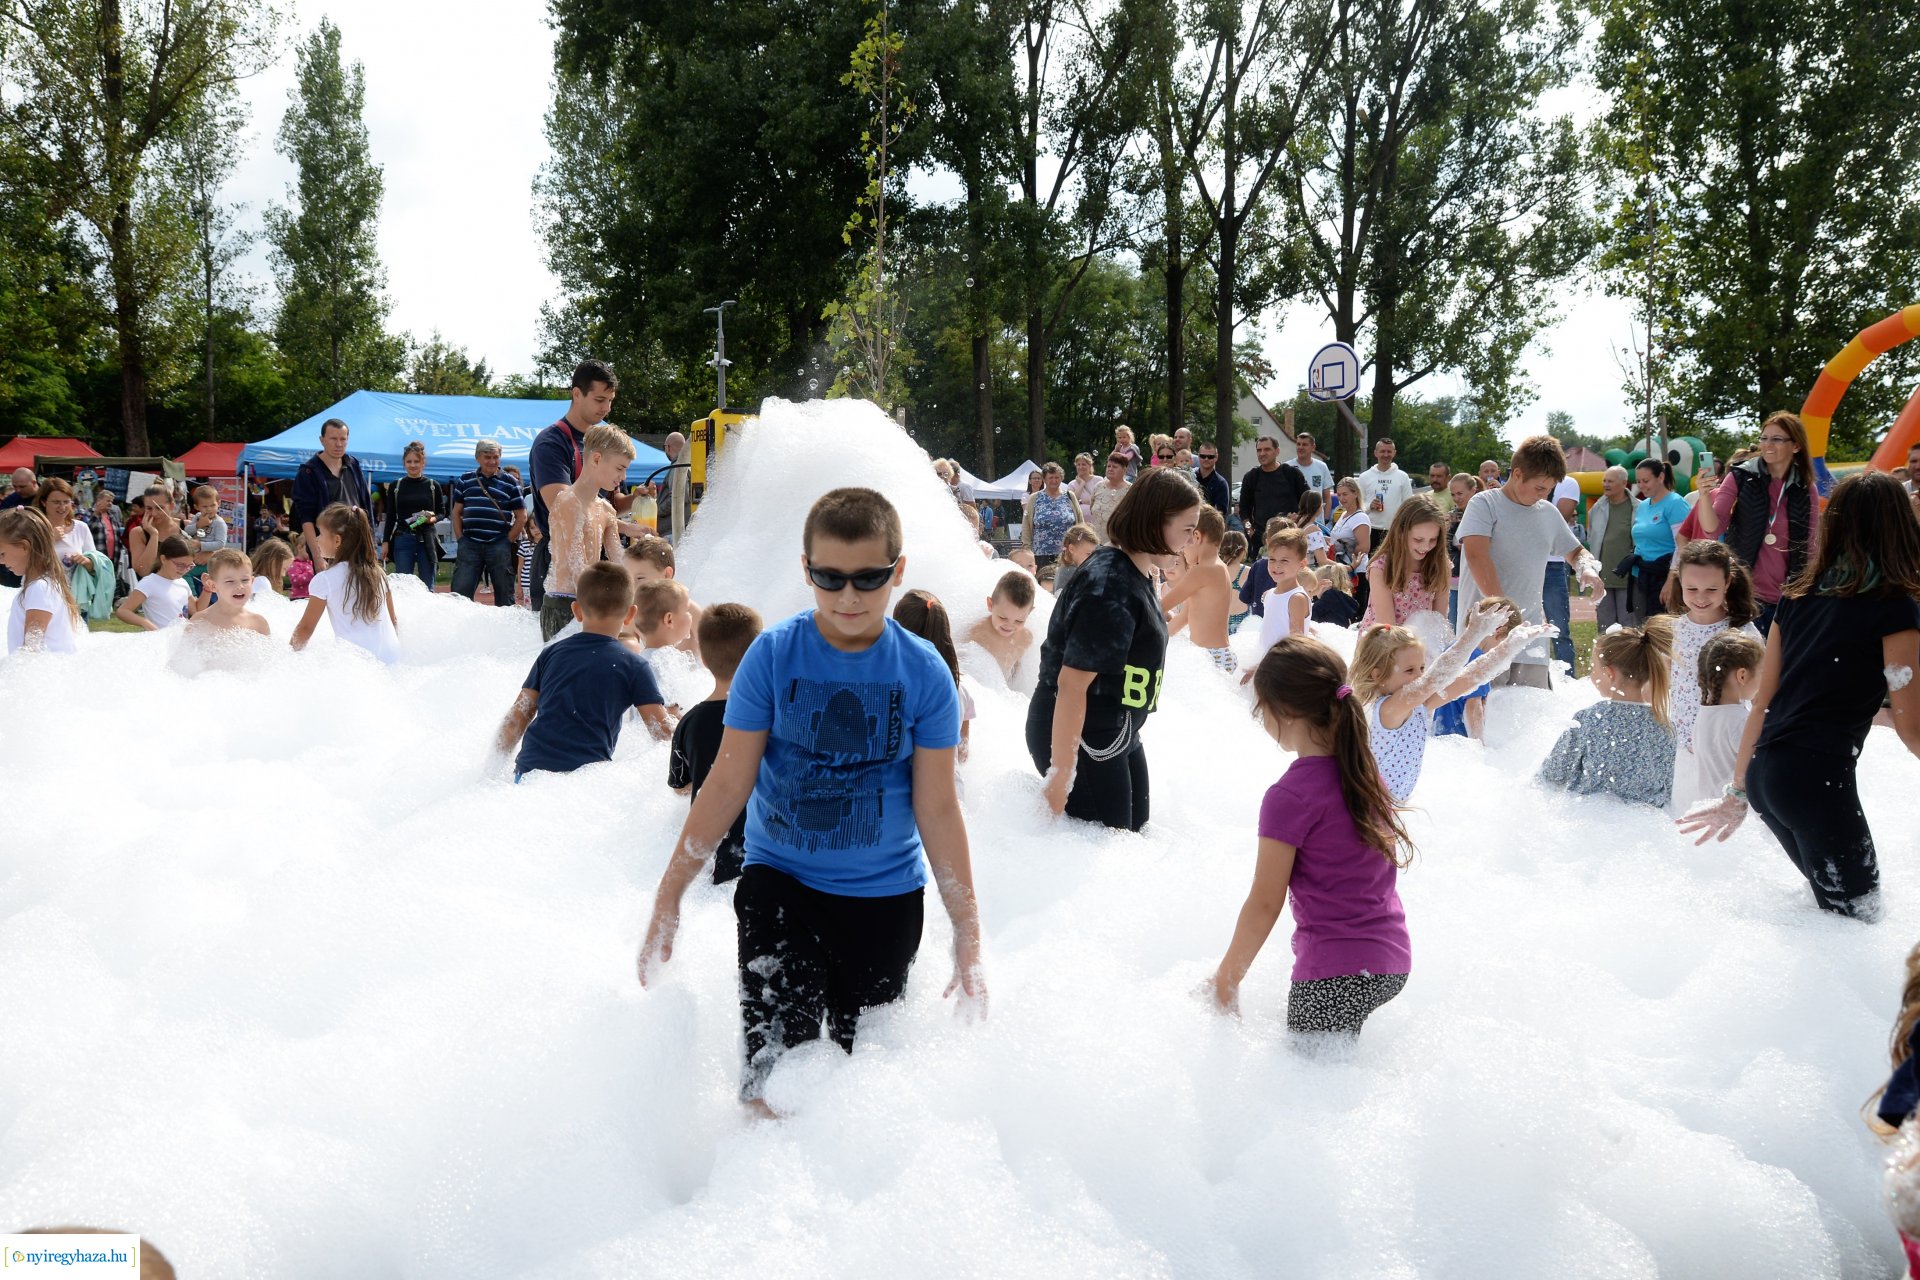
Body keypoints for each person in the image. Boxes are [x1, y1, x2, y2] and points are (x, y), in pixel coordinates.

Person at [636, 487, 987, 1117]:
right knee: (773, 1080)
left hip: (886, 898)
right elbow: (726, 782)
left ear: (898, 571)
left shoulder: (924, 670)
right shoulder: (772, 656)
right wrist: (669, 894)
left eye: (867, 579)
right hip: (781, 885)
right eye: (828, 578)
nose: (847, 596)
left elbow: (937, 807)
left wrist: (968, 928)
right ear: (805, 569)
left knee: (859, 1093)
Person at [1680, 472, 1920, 918]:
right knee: (1859, 919)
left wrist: (1738, 791)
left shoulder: (1798, 596)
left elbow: (1766, 701)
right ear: (1899, 527)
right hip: (1815, 780)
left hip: (1766, 775)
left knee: (1834, 921)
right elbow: (1912, 727)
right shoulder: (1894, 605)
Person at [1203, 634, 1411, 1035]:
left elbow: (1265, 903)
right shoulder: (1366, 775)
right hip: (1391, 959)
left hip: (1334, 975)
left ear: (1283, 712)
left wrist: (1226, 980)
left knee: (1306, 1093)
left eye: (1260, 709)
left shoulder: (1289, 796)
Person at [1028, 466, 1200, 831]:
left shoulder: (1139, 571)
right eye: (1186, 528)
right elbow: (1072, 685)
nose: (1191, 538)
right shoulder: (1109, 585)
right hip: (1083, 731)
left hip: (1115, 726)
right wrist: (1061, 777)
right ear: (1155, 523)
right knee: (1111, 844)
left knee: (1133, 837)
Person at [496, 561, 673, 780]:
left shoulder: (551, 654)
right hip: (584, 782)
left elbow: (517, 718)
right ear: (631, 615)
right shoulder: (633, 665)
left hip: (529, 773)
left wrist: (492, 770)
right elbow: (661, 732)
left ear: (577, 611)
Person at [1351, 604, 1542, 802]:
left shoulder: (1417, 706)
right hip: (1370, 806)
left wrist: (1509, 647)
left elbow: (1470, 677)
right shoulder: (1388, 709)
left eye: (1422, 667)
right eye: (1410, 670)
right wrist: (1473, 634)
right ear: (1378, 674)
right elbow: (1434, 679)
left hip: (1391, 806)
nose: (1419, 676)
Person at [1455, 436, 1604, 688]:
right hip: (1485, 635)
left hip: (1530, 636)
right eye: (1539, 488)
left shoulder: (1547, 512)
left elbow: (1577, 551)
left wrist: (1587, 568)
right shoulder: (1484, 504)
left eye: (1549, 489)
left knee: (1532, 716)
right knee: (1482, 717)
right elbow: (1476, 555)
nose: (1544, 495)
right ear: (1517, 474)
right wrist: (1503, 614)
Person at [1695, 411, 1818, 634]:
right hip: (1744, 597)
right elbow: (1712, 527)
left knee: (1778, 667)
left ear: (1796, 446)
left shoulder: (1805, 487)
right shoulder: (1741, 475)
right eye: (1764, 438)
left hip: (1787, 600)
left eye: (1776, 439)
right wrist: (1704, 495)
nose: (1767, 444)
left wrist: (1806, 594)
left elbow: (1811, 546)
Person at [667, 603, 763, 883]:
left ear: (704, 661)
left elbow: (680, 787)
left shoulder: (689, 723)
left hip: (718, 862)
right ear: (759, 657)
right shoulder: (775, 715)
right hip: (772, 857)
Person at [1539, 618, 1676, 808]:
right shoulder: (1665, 725)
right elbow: (1669, 787)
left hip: (1590, 820)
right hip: (1645, 824)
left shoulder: (1588, 719)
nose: (1591, 675)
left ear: (1609, 673)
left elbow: (1553, 774)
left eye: (1594, 669)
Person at [1659, 541, 1761, 793]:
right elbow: (1659, 685)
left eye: (1711, 588)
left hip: (1725, 747)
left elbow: (1761, 694)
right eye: (1691, 588)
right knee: (1684, 820)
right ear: (1679, 583)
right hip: (1683, 746)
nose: (1701, 597)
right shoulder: (1672, 630)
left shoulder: (1742, 634)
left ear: (1727, 583)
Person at [529, 359, 631, 611]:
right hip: (557, 560)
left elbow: (610, 505)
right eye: (599, 400)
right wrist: (626, 528)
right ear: (577, 393)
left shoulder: (605, 442)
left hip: (594, 559)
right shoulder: (551, 443)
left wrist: (635, 500)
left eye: (610, 400)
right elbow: (564, 509)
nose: (606, 408)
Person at [540, 423, 632, 642]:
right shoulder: (569, 501)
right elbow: (576, 563)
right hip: (563, 602)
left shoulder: (606, 509)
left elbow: (620, 562)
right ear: (597, 459)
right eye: (620, 468)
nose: (624, 476)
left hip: (590, 600)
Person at [290, 504, 399, 663]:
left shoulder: (324, 580)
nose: (316, 539)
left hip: (357, 662)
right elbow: (393, 620)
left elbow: (305, 629)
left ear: (337, 540)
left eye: (320, 534)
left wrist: (287, 658)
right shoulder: (379, 573)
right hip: (392, 656)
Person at [1679, 629, 1763, 817]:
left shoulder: (1704, 715)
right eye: (1762, 673)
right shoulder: (1741, 722)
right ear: (1742, 676)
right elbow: (1761, 772)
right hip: (1739, 815)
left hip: (1709, 809)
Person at [895, 589, 974, 762]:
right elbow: (962, 753)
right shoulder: (959, 687)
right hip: (952, 784)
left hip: (914, 784)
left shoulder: (895, 690)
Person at [1432, 595, 1523, 740]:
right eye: (1507, 641)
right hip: (1459, 740)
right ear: (1499, 630)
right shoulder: (1478, 660)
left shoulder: (1455, 650)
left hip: (1440, 735)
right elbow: (1474, 708)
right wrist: (1479, 747)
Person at [1159, 507, 1235, 672]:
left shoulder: (1203, 570)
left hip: (1210, 658)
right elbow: (1184, 617)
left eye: (1184, 542)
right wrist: (1161, 639)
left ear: (1196, 536)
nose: (1181, 549)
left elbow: (1161, 606)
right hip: (1217, 655)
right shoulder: (1217, 567)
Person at [449, 441, 525, 605]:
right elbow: (456, 512)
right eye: (487, 457)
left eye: (496, 457)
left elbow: (521, 516)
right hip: (469, 543)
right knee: (459, 596)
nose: (492, 461)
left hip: (499, 544)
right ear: (478, 458)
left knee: (505, 598)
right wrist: (461, 538)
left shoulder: (511, 482)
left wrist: (508, 540)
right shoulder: (465, 480)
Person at [291, 418, 373, 569]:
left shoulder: (353, 464)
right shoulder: (308, 472)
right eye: (333, 439)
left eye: (343, 439)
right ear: (322, 440)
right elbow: (306, 518)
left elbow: (366, 505)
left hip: (356, 547)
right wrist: (317, 557)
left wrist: (371, 545)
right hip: (327, 550)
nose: (339, 444)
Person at [0, 508, 82, 654]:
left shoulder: (40, 588)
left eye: (2, 554)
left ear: (24, 546)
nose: (1, 561)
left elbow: (32, 646)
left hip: (44, 673)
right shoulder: (41, 585)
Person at [1360, 496, 1447, 626]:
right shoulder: (1381, 568)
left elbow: (1440, 621)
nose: (1425, 547)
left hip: (1423, 642)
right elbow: (1388, 626)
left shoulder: (1441, 565)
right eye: (1418, 540)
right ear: (1400, 532)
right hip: (1383, 642)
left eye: (1433, 539)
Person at [378, 442, 444, 590]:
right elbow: (390, 516)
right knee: (403, 586)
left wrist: (432, 519)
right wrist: (386, 541)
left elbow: (441, 511)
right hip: (403, 538)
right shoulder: (396, 486)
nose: (413, 465)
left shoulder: (433, 485)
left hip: (427, 538)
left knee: (428, 586)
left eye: (416, 461)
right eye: (409, 461)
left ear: (423, 463)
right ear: (404, 463)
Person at [1627, 458, 1689, 616]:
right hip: (1641, 575)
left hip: (1664, 576)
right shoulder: (1642, 506)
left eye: (1646, 481)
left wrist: (1671, 580)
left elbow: (1683, 545)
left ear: (1661, 477)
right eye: (1638, 481)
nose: (1641, 485)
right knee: (1641, 629)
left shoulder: (1675, 504)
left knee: (1661, 631)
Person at [1584, 465, 1640, 630]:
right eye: (1604, 480)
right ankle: (1604, 656)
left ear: (1624, 484)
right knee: (1604, 627)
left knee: (1628, 626)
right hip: (1602, 578)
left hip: (1629, 579)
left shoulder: (1638, 507)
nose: (1605, 484)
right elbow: (1591, 537)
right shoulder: (1597, 509)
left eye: (1610, 481)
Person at [1250, 528, 1313, 665]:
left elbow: (1296, 643)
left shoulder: (1296, 598)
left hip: (1283, 666)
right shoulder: (1269, 594)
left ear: (1301, 564)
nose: (1276, 565)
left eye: (1284, 560)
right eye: (1272, 559)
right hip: (1265, 662)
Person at [1542, 462, 1581, 669]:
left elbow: (1557, 521)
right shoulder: (1524, 482)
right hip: (1524, 564)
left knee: (1559, 629)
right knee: (1520, 629)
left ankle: (1567, 680)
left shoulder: (1568, 483)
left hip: (1553, 565)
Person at [967, 568, 1036, 683]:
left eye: (1019, 621)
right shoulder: (978, 634)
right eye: (1003, 618)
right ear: (990, 604)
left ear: (1029, 612)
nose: (1009, 625)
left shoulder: (1025, 638)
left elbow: (1017, 673)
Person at [183, 549, 269, 638]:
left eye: (245, 580)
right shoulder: (200, 621)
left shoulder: (259, 623)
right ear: (213, 586)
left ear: (252, 581)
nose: (240, 586)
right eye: (230, 581)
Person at [1238, 436, 1306, 549]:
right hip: (1260, 540)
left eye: (1267, 449)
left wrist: (1298, 517)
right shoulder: (1251, 477)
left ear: (1277, 451)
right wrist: (1250, 531)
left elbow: (1307, 503)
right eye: (1259, 450)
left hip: (1290, 537)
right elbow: (1244, 511)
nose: (1262, 453)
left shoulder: (1292, 474)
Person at [116, 535, 194, 631]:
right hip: (160, 640)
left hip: (180, 640)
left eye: (189, 566)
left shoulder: (182, 582)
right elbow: (123, 611)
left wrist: (207, 590)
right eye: (180, 565)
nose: (184, 570)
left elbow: (196, 610)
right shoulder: (149, 583)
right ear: (163, 559)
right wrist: (144, 622)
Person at [1020, 462, 1083, 568]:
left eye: (1057, 477)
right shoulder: (1035, 498)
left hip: (1067, 553)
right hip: (1041, 554)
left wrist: (1081, 545)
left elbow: (1080, 522)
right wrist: (1027, 548)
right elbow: (1026, 524)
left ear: (1061, 478)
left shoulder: (1069, 496)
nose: (1054, 480)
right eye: (1050, 478)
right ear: (1044, 479)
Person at [1445, 473, 1480, 625]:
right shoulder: (1453, 516)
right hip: (1454, 580)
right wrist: (1446, 529)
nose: (1456, 498)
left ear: (1473, 490)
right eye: (1453, 494)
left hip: (1475, 581)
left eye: (1460, 493)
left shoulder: (1482, 515)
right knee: (1454, 625)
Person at [1360, 438, 1414, 534]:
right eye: (1382, 451)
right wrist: (1370, 506)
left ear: (1394, 453)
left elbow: (1408, 505)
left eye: (1389, 451)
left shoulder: (1403, 476)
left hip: (1394, 529)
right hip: (1370, 528)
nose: (1386, 455)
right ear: (1376, 453)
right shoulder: (1364, 477)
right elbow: (1358, 506)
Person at [127, 485, 181, 578]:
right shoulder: (138, 533)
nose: (154, 513)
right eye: (149, 508)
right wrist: (153, 535)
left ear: (172, 506)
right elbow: (143, 571)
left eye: (159, 508)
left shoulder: (185, 527)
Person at [631, 578, 694, 653]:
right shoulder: (667, 661)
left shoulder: (641, 660)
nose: (691, 616)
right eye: (687, 610)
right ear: (669, 620)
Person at [1086, 453, 1131, 544]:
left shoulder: (1131, 490)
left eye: (1114, 467)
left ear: (1124, 469)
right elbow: (1092, 508)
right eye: (1108, 466)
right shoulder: (1098, 486)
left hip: (1120, 543)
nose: (1110, 469)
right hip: (1097, 543)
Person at [1328, 478, 1372, 567]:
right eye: (1339, 495)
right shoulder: (1344, 514)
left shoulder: (1360, 517)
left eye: (1345, 494)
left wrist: (1346, 560)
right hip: (1341, 568)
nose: (1341, 498)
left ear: (1355, 493)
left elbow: (1364, 547)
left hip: (1356, 571)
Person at [1287, 432, 1335, 506]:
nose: (1300, 447)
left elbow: (1327, 497)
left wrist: (1326, 517)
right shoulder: (1287, 467)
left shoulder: (1322, 466)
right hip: (1294, 516)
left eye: (1304, 444)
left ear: (1313, 447)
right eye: (1298, 444)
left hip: (1317, 517)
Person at [1309, 563, 1361, 629]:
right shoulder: (1342, 596)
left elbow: (1312, 615)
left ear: (1324, 583)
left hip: (1329, 632)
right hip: (1341, 629)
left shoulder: (1329, 596)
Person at [1054, 523, 1098, 596]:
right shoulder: (1069, 572)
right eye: (1088, 554)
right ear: (1071, 549)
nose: (1092, 558)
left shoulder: (1071, 569)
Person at [1220, 530, 1251, 635]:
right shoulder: (1248, 571)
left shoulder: (1217, 571)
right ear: (1243, 551)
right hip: (1243, 623)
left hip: (1220, 622)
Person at [1192, 441, 1231, 519]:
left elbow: (1220, 513)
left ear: (1216, 457)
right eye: (1203, 456)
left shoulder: (1221, 483)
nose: (1206, 459)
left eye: (1210, 457)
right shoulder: (1191, 477)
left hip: (1209, 526)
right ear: (1198, 456)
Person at [251, 537, 294, 602]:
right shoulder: (262, 582)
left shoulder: (255, 580)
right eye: (284, 569)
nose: (283, 575)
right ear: (273, 562)